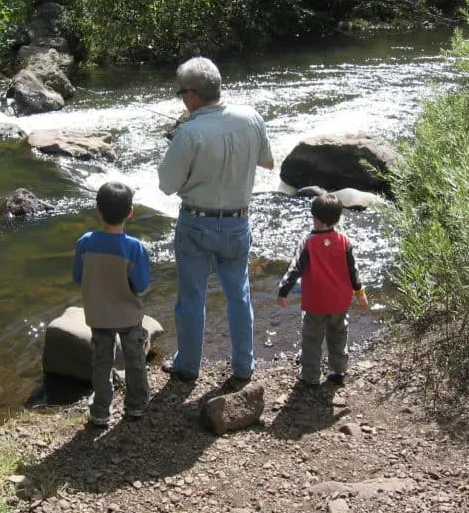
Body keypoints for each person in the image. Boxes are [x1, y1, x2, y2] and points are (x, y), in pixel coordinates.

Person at [158, 56, 274, 382]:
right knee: (239, 294)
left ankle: (188, 366)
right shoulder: (252, 118)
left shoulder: (188, 132)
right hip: (238, 222)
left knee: (192, 297)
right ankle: (243, 366)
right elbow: (267, 162)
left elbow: (166, 186)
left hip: (196, 222)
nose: (182, 99)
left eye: (182, 93)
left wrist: (178, 143)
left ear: (192, 95)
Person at [73, 181, 151, 427]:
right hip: (128, 316)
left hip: (98, 315)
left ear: (99, 211)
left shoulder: (85, 242)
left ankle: (100, 411)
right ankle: (136, 405)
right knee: (135, 360)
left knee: (102, 362)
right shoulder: (134, 247)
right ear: (130, 212)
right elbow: (140, 285)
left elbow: (78, 276)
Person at [276, 192, 369, 387]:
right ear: (337, 218)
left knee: (311, 338)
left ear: (315, 218)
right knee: (338, 334)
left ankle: (310, 376)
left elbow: (295, 269)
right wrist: (360, 293)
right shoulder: (345, 241)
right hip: (339, 301)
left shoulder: (308, 242)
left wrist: (283, 291)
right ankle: (338, 371)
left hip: (316, 302)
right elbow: (354, 270)